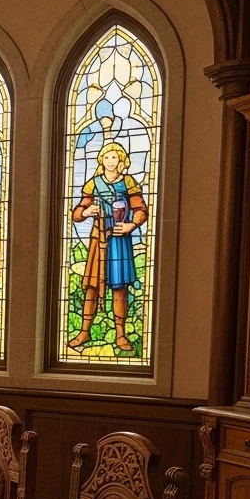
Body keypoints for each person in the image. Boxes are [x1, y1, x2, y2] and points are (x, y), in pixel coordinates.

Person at [68, 141, 147, 353]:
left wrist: (131, 225)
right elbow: (77, 212)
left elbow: (140, 209)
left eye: (114, 157)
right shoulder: (93, 184)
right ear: (101, 160)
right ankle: (84, 331)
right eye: (106, 157)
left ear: (121, 160)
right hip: (98, 238)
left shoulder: (128, 182)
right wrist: (86, 212)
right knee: (92, 286)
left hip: (120, 238)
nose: (110, 161)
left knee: (120, 287)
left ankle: (120, 334)